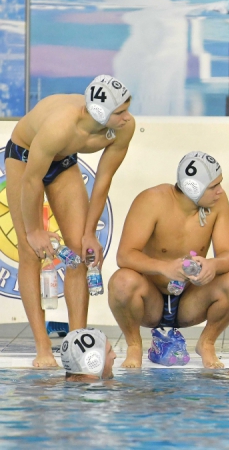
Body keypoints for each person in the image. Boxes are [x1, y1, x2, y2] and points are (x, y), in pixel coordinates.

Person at [5, 74, 134, 368]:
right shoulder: (59, 126)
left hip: (63, 161)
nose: (128, 118)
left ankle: (77, 341)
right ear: (100, 113)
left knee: (79, 252)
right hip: (25, 159)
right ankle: (42, 348)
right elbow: (31, 181)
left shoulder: (123, 128)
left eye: (127, 109)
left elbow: (103, 180)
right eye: (120, 112)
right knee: (29, 251)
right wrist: (35, 230)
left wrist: (90, 233)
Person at [108, 152, 229, 369]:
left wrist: (213, 265)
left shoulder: (218, 203)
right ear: (193, 187)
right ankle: (134, 345)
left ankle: (207, 342)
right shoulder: (152, 200)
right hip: (150, 301)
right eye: (214, 186)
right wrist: (164, 268)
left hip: (190, 301)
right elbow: (125, 255)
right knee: (122, 281)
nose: (220, 190)